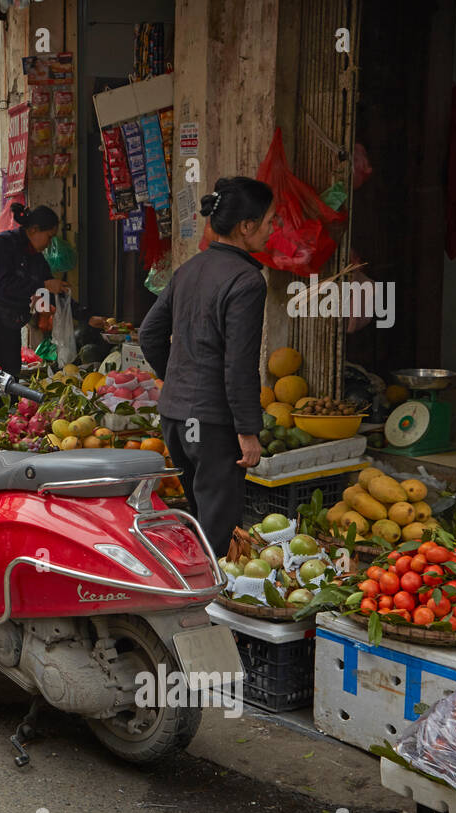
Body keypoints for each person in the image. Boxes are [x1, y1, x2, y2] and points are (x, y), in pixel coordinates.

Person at [138, 175, 276, 557]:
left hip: (176, 420)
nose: (272, 230)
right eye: (268, 222)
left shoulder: (189, 269)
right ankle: (205, 606)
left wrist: (179, 381)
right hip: (211, 425)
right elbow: (239, 364)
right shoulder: (247, 281)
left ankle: (197, 593)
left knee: (199, 519)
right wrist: (248, 431)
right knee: (218, 528)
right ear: (246, 227)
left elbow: (149, 334)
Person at [0, 203, 99, 378]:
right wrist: (43, 285)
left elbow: (53, 293)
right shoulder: (2, 245)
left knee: (10, 377)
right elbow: (5, 286)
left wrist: (86, 316)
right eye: (49, 237)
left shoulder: (36, 258)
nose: (49, 244)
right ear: (34, 230)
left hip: (8, 321)